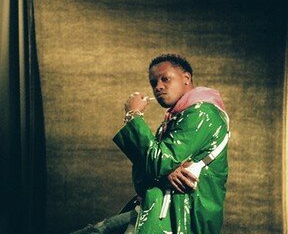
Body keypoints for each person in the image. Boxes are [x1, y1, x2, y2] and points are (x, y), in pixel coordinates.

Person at [71, 54, 229, 234]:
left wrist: (133, 116)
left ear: (186, 78)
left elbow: (158, 162)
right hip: (157, 211)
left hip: (181, 216)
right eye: (153, 83)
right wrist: (165, 171)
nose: (158, 87)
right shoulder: (174, 119)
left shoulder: (202, 113)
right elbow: (143, 174)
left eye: (165, 79)